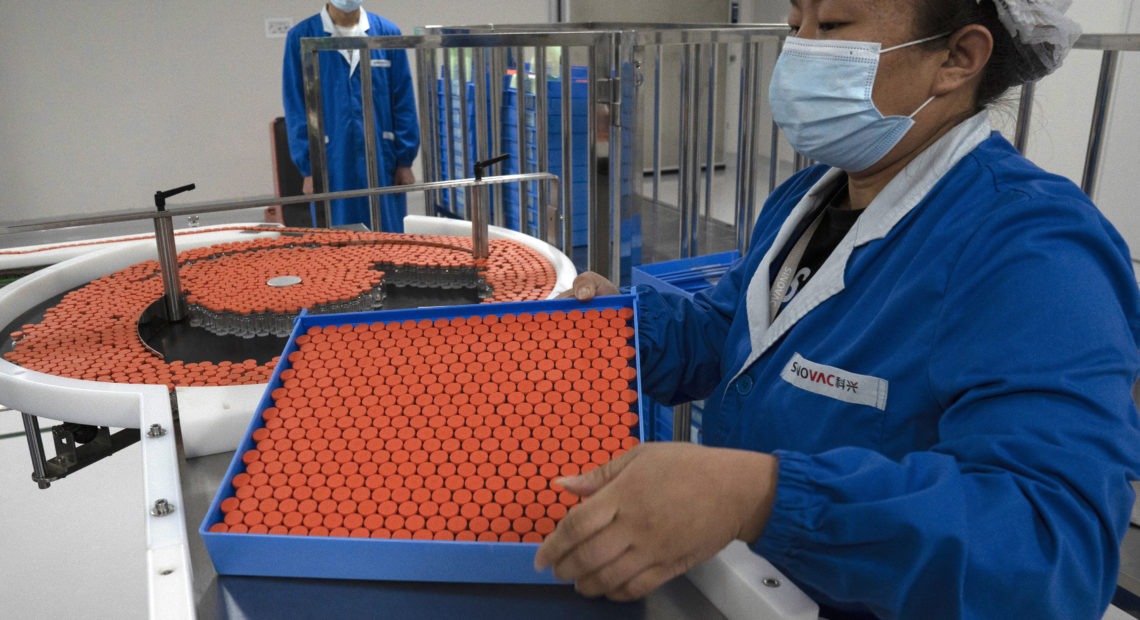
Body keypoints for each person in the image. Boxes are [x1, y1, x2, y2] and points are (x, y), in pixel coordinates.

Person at [535, 0, 1140, 618]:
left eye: (831, 28)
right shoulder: (810, 196)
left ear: (958, 58)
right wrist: (617, 326)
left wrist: (761, 497)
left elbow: (1051, 548)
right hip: (745, 588)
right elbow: (735, 337)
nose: (798, 49)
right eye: (796, 23)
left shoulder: (1034, 253)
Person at [282, 1, 420, 232]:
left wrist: (405, 160)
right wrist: (309, 167)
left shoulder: (387, 33)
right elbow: (296, 105)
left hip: (382, 156)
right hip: (331, 158)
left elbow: (402, 98)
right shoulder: (302, 36)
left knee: (387, 235)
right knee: (338, 239)